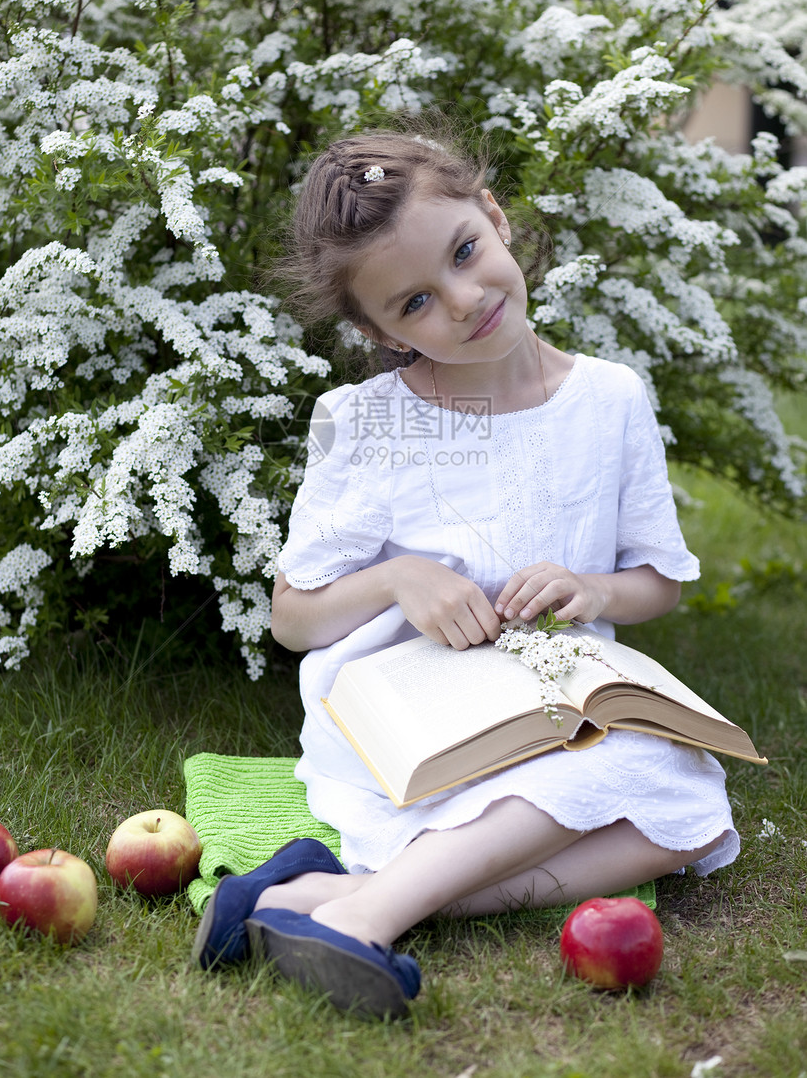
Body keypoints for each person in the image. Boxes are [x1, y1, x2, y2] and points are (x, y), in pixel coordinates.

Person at [191, 130, 738, 1017]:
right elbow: (291, 617)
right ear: (378, 331)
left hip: (552, 705)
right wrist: (397, 578)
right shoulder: (359, 421)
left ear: (495, 216)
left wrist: (593, 591)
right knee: (646, 777)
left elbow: (658, 582)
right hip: (408, 721)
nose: (464, 298)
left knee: (690, 817)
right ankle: (366, 919)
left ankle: (320, 897)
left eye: (465, 253)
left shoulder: (612, 399)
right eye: (416, 301)